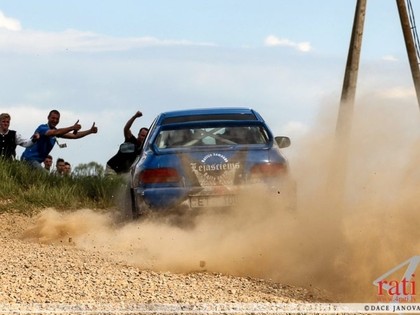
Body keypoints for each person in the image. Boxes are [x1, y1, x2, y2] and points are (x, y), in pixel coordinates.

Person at [21, 109, 98, 170]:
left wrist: (89, 131)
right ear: (48, 118)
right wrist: (72, 127)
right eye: (53, 118)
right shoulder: (42, 128)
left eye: (57, 119)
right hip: (28, 159)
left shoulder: (57, 132)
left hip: (37, 162)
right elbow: (54, 132)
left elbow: (74, 136)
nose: (55, 120)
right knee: (46, 177)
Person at [106, 111, 148, 175]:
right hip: (112, 168)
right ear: (138, 134)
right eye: (142, 135)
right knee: (112, 184)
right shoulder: (131, 139)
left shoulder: (144, 148)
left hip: (124, 172)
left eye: (145, 136)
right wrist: (135, 116)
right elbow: (126, 129)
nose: (143, 138)